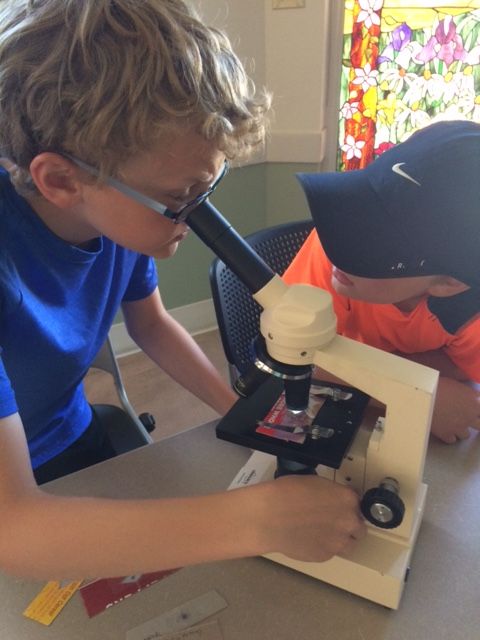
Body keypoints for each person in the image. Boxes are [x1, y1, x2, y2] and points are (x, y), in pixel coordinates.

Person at [0, 0, 365, 580]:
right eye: (181, 201)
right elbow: (13, 531)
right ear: (62, 180)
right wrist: (254, 522)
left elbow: (153, 326)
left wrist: (245, 418)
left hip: (69, 435)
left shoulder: (110, 208)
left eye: (210, 185)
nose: (198, 218)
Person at [283, 119, 480, 445]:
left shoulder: (469, 310)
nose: (341, 243)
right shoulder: (335, 250)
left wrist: (351, 368)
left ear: (447, 284)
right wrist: (415, 389)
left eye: (372, 244)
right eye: (359, 209)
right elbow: (296, 358)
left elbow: (464, 369)